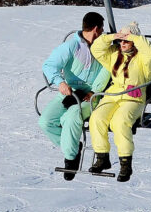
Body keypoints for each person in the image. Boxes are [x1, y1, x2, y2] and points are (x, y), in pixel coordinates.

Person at [39, 12, 110, 181]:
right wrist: (60, 83)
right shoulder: (72, 46)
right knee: (45, 121)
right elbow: (49, 65)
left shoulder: (103, 48)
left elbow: (107, 69)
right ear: (95, 29)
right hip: (70, 91)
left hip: (91, 95)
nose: (102, 33)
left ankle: (70, 159)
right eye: (101, 29)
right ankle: (73, 147)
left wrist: (94, 92)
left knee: (72, 117)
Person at [88, 21, 151, 182]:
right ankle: (102, 157)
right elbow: (96, 49)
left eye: (127, 40)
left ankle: (126, 163)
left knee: (119, 122)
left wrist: (133, 36)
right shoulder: (113, 54)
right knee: (96, 118)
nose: (123, 43)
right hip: (114, 93)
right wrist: (113, 37)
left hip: (134, 96)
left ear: (134, 40)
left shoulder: (143, 58)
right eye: (121, 41)